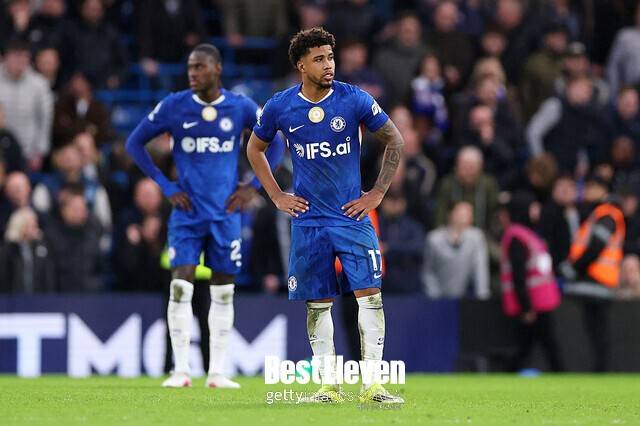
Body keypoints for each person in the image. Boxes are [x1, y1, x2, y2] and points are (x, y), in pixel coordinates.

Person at [247, 27, 405, 404]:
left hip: (351, 217)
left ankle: (373, 386)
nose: (328, 64)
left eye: (331, 57)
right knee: (318, 304)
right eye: (319, 59)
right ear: (301, 65)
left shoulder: (354, 99)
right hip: (309, 221)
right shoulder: (281, 106)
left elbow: (395, 140)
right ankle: (328, 387)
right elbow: (255, 149)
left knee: (370, 295)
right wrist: (276, 195)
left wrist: (377, 193)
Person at [125, 43, 285, 388]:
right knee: (180, 284)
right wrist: (166, 186)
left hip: (225, 215)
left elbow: (276, 143)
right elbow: (134, 143)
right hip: (187, 214)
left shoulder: (240, 107)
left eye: (199, 67)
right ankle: (180, 371)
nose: (192, 73)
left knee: (223, 292)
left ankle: (217, 373)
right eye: (190, 67)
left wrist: (253, 186)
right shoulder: (174, 105)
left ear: (217, 69)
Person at [559, 175, 626, 372]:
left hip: (597, 280)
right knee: (595, 331)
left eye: (591, 187)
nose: (587, 191)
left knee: (598, 331)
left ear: (603, 189)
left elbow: (596, 246)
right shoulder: (597, 214)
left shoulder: (608, 215)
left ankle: (601, 370)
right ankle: (599, 370)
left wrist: (574, 267)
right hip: (595, 280)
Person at [499, 191, 563, 372]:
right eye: (533, 207)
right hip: (533, 303)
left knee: (528, 346)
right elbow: (518, 275)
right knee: (546, 346)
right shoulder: (517, 238)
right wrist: (526, 307)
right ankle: (560, 375)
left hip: (538, 302)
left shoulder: (527, 235)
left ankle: (511, 374)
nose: (537, 211)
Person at [423, 202, 489, 300]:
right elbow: (428, 271)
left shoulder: (476, 237)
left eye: (469, 214)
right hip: (438, 299)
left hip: (467, 299)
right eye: (461, 213)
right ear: (450, 214)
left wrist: (482, 297)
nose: (465, 217)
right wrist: (435, 298)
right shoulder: (434, 238)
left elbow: (480, 269)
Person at [0, 207, 55, 293]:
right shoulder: (7, 250)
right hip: (12, 298)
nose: (36, 229)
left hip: (38, 297)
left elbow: (48, 276)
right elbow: (4, 276)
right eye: (33, 226)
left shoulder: (41, 247)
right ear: (21, 226)